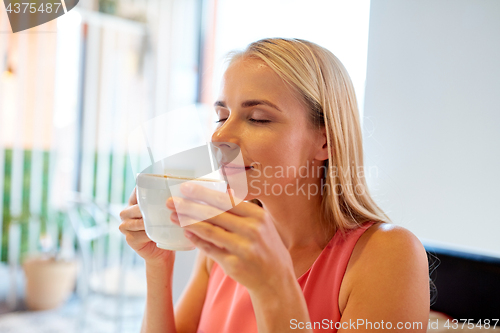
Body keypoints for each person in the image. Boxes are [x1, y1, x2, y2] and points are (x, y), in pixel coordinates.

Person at [119, 38, 430, 332]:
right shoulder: (228, 240)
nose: (219, 137)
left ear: (326, 141)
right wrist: (158, 262)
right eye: (221, 117)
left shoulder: (390, 256)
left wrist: (273, 286)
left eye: (257, 118)